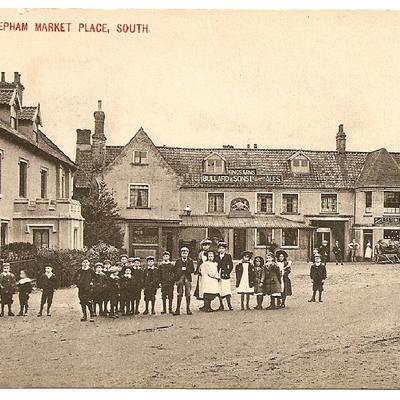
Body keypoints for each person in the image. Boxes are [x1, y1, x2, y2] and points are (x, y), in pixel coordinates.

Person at [173, 246, 195, 316]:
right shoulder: (178, 261)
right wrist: (176, 278)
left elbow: (192, 270)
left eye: (186, 253)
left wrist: (186, 269)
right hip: (180, 278)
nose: (184, 254)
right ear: (181, 254)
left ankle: (188, 309)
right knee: (179, 293)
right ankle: (177, 309)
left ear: (188, 253)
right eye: (183, 253)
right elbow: (175, 270)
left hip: (187, 278)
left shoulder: (190, 261)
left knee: (188, 293)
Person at [194, 239, 212, 311]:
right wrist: (198, 270)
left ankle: (209, 305)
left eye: (207, 245)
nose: (205, 247)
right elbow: (199, 262)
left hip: (208, 272)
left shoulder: (211, 253)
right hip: (202, 272)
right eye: (204, 245)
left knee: (208, 288)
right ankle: (205, 304)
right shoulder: (200, 253)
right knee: (202, 288)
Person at [216, 241, 234, 311]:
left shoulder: (228, 256)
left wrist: (228, 272)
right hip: (218, 275)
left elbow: (231, 266)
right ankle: (221, 305)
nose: (221, 250)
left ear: (225, 249)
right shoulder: (216, 257)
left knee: (227, 290)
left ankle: (229, 305)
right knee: (219, 290)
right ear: (218, 249)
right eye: (220, 248)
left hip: (225, 275)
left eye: (223, 248)